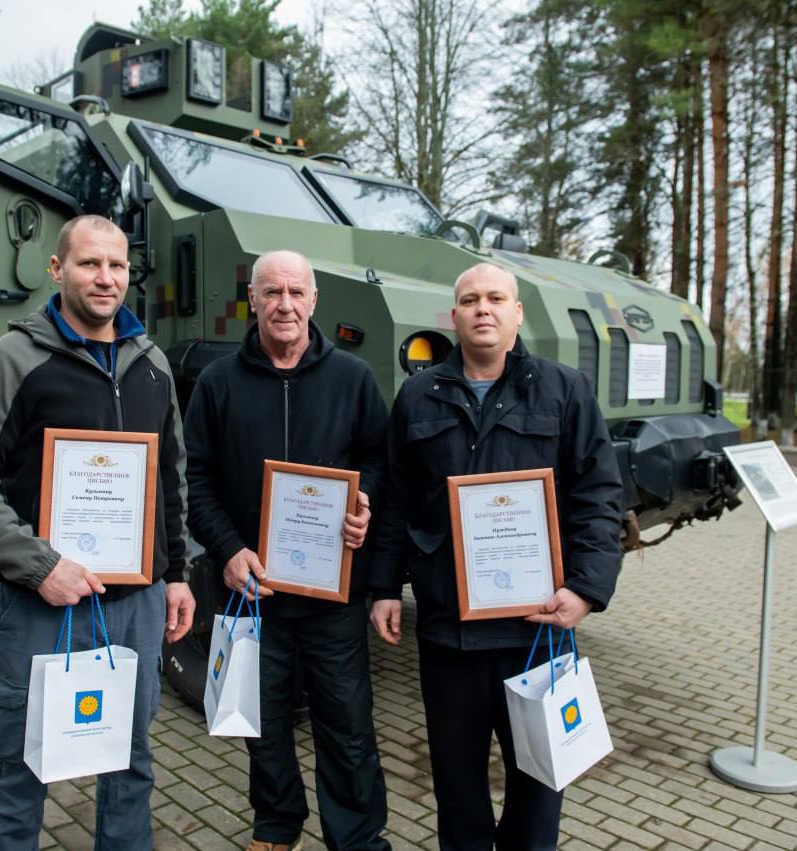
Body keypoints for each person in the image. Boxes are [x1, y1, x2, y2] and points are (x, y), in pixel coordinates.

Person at [0, 214, 195, 851]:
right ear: (57, 270)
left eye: (117, 265)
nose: (105, 278)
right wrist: (37, 565)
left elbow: (171, 478)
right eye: (89, 263)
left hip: (134, 604)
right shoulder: (13, 359)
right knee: (26, 760)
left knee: (130, 759)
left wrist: (176, 576)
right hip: (42, 602)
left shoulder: (153, 365)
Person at [368, 263, 623, 851]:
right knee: (456, 785)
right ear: (452, 316)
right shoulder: (417, 394)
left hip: (535, 629)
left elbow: (599, 497)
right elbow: (397, 502)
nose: (482, 309)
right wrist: (383, 587)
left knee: (537, 782)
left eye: (495, 298)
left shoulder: (563, 390)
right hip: (448, 629)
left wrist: (586, 588)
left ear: (517, 313)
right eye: (469, 300)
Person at [184, 250, 392, 851]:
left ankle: (355, 836)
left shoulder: (352, 378)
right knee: (263, 719)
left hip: (332, 594)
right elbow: (194, 475)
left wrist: (365, 505)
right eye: (272, 292)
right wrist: (225, 549)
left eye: (296, 292)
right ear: (252, 299)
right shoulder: (219, 382)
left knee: (347, 724)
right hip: (251, 589)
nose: (285, 304)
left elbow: (379, 460)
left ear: (315, 300)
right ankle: (276, 825)